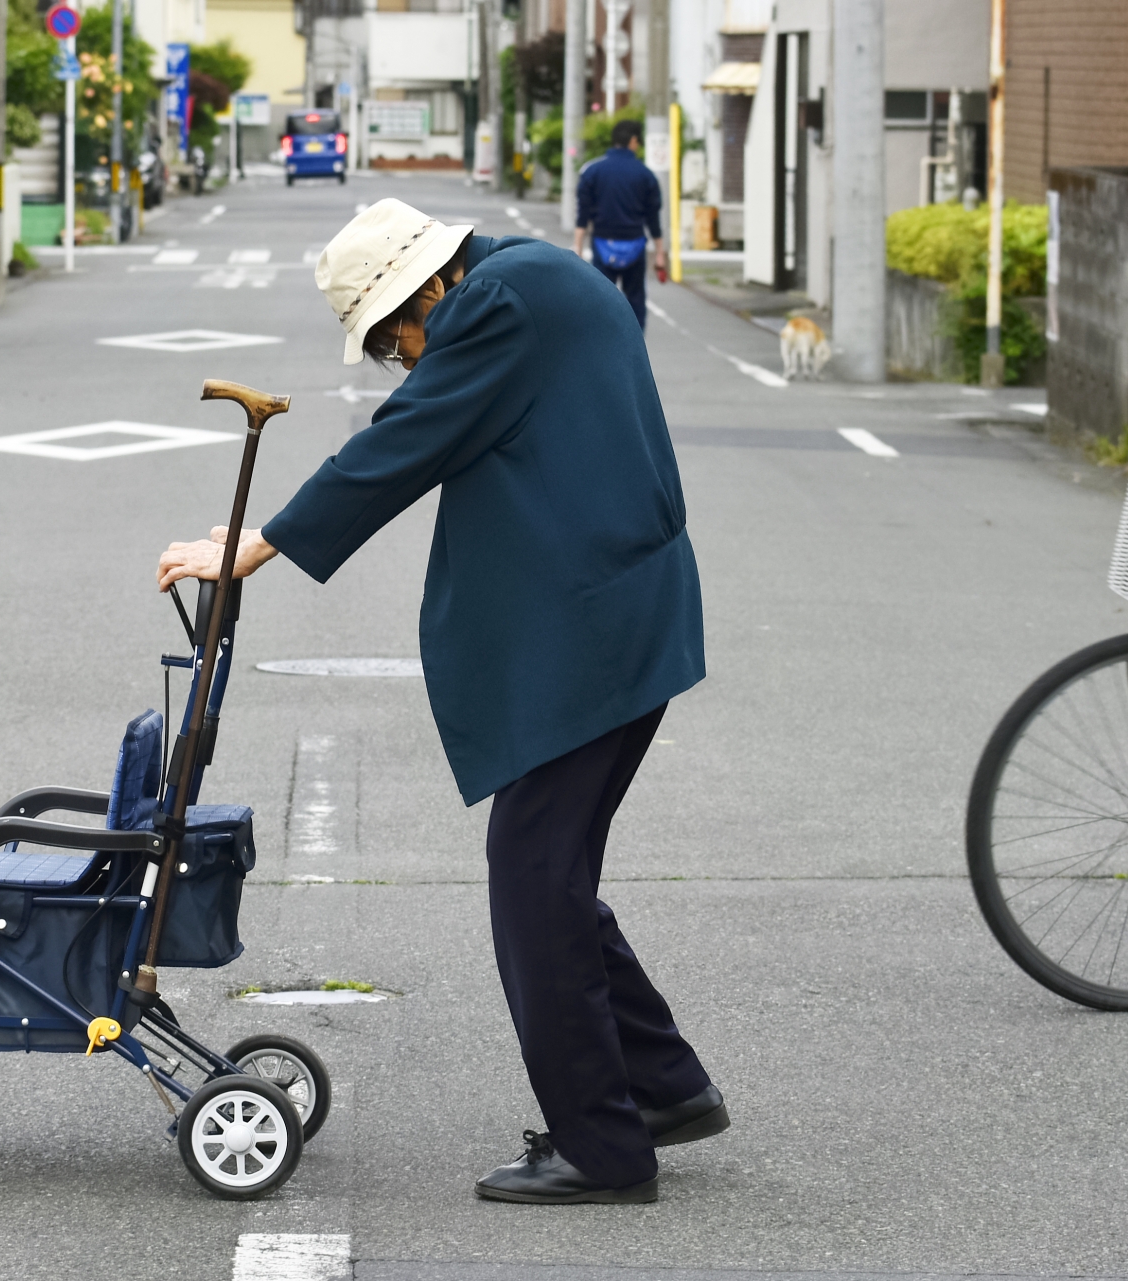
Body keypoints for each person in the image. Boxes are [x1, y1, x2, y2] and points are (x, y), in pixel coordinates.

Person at [157, 199, 728, 1205]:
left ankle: (603, 1147)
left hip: (594, 633)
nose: (404, 361)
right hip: (614, 618)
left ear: (424, 289)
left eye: (394, 340)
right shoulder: (532, 281)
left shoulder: (499, 303)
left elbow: (407, 441)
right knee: (550, 874)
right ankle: (661, 1088)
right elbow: (434, 428)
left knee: (533, 881)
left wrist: (254, 548)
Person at [573, 119, 666, 329]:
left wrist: (577, 246)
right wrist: (660, 252)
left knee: (602, 298)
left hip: (603, 243)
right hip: (635, 243)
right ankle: (635, 348)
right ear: (633, 141)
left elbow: (583, 214)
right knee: (635, 299)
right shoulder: (645, 175)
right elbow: (653, 219)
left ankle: (604, 344)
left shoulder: (593, 172)